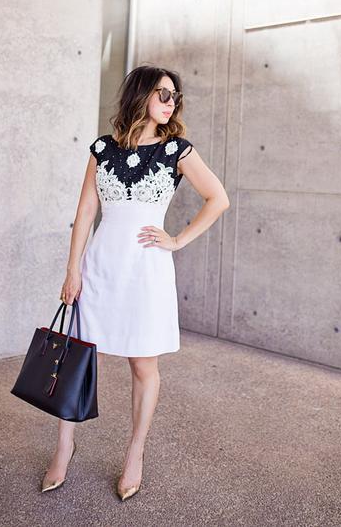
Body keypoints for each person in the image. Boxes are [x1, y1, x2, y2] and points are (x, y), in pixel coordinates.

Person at [41, 64, 230, 500]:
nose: (171, 103)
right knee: (75, 355)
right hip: (100, 265)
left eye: (175, 97)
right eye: (163, 94)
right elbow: (86, 213)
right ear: (140, 94)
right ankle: (64, 446)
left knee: (143, 364)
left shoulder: (176, 150)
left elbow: (218, 198)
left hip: (146, 271)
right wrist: (73, 270)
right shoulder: (102, 149)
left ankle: (135, 453)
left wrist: (178, 239)